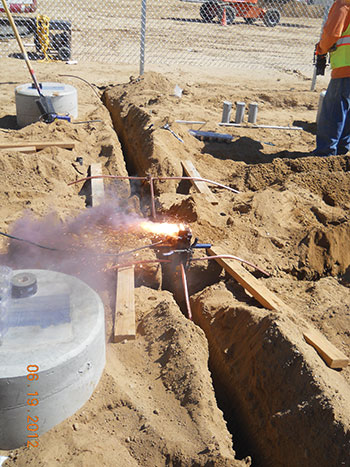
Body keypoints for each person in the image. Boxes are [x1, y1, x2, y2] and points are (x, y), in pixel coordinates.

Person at [314, 0, 350, 157]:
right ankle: (341, 152)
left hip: (345, 65)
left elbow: (332, 34)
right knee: (347, 111)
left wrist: (321, 49)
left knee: (333, 110)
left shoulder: (344, 3)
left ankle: (325, 154)